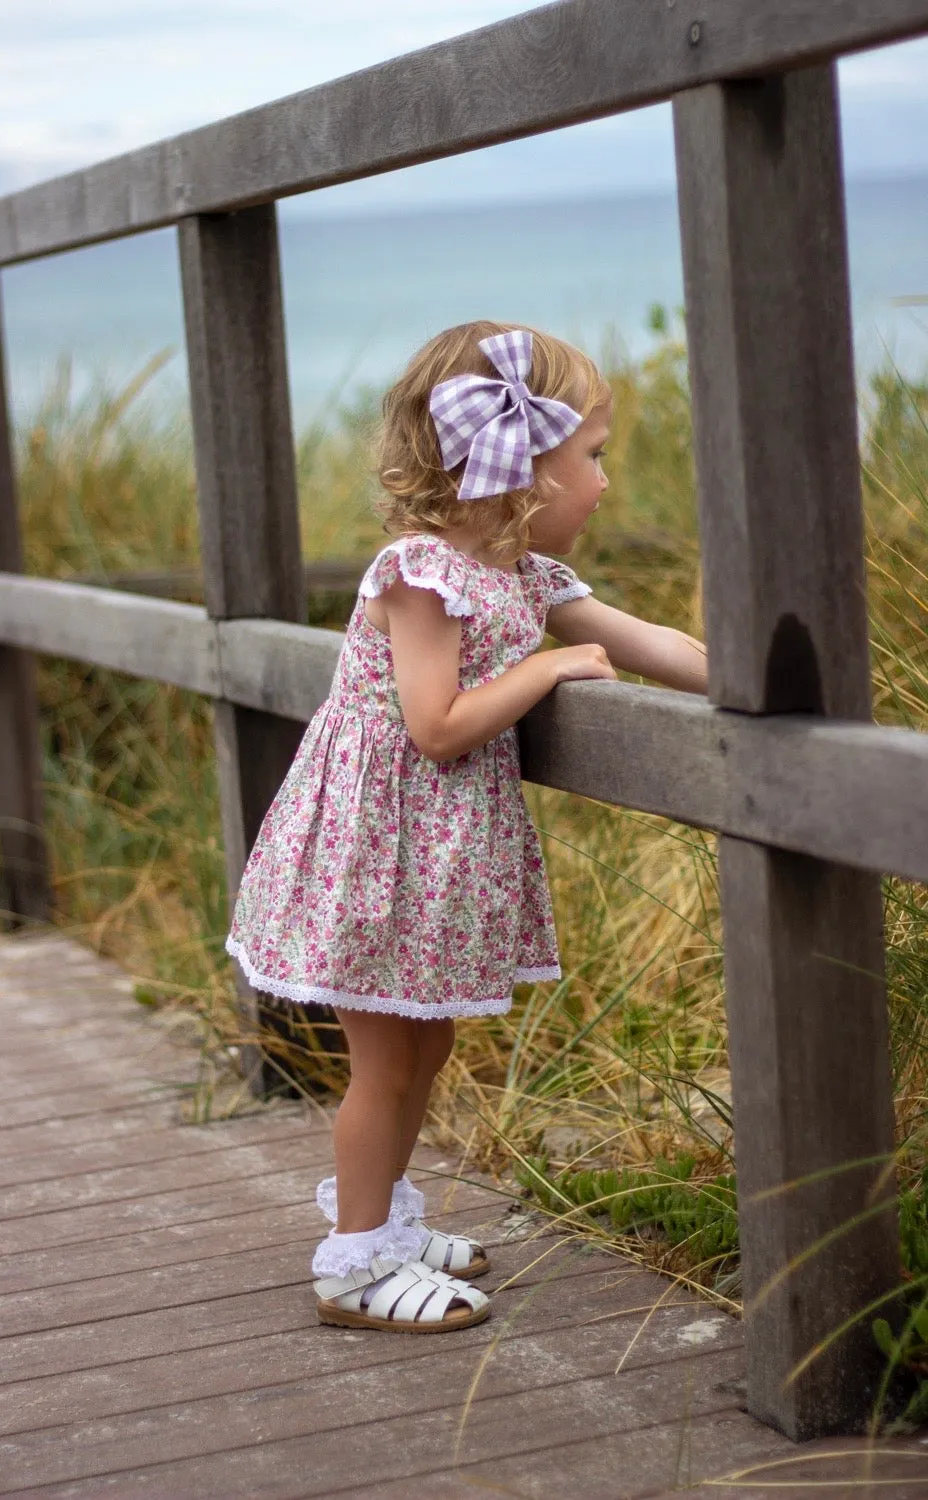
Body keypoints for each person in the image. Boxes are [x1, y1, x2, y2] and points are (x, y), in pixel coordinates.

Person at [226, 321, 708, 1333]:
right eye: (592, 456)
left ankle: (387, 1224)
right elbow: (435, 728)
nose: (605, 483)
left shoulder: (528, 576)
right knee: (386, 1062)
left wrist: (768, 673)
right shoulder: (420, 573)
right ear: (521, 467)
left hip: (436, 856)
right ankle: (354, 1264)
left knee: (428, 1046)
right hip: (374, 851)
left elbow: (647, 642)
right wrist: (540, 669)